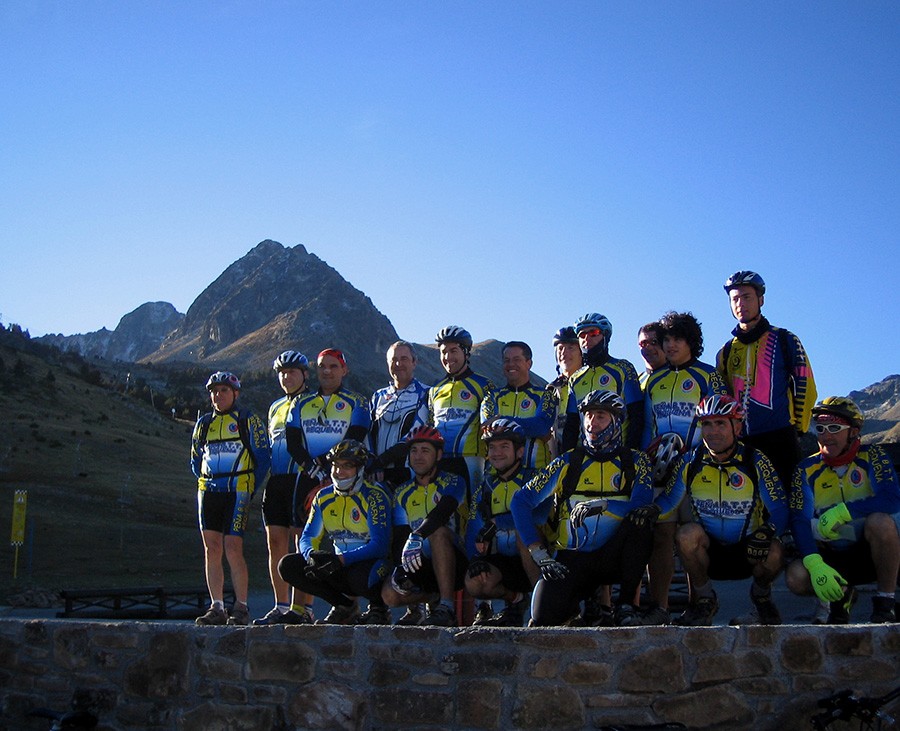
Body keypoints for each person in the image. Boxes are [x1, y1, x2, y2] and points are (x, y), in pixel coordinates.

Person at [510, 390, 658, 627]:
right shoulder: (568, 461)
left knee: (642, 522)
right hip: (572, 557)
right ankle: (578, 608)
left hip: (614, 556)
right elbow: (520, 501)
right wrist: (536, 550)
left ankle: (626, 605)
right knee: (542, 617)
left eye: (601, 416)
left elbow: (642, 504)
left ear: (617, 421)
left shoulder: (636, 461)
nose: (592, 423)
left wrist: (604, 505)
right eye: (588, 415)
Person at [656, 395, 789, 626]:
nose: (713, 431)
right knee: (686, 535)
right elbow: (669, 501)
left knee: (775, 550)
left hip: (749, 547)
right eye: (707, 424)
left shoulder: (755, 460)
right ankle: (705, 601)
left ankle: (762, 599)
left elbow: (780, 507)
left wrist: (768, 531)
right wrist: (647, 511)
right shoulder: (690, 461)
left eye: (720, 423)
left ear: (736, 427)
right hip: (710, 550)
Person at [785, 397, 900, 623]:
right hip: (833, 554)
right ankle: (842, 595)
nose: (826, 436)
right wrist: (814, 563)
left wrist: (843, 512)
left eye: (835, 428)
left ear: (853, 432)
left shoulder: (872, 456)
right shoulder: (806, 468)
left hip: (874, 551)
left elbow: (891, 499)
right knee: (796, 577)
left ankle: (885, 602)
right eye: (821, 428)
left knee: (881, 522)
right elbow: (799, 519)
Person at [716, 270, 817, 488]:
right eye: (735, 299)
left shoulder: (785, 339)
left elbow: (805, 383)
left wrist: (798, 428)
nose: (740, 304)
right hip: (742, 440)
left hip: (781, 436)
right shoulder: (725, 352)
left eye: (747, 297)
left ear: (761, 300)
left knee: (791, 498)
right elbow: (723, 396)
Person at [278, 440, 392, 625]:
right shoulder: (323, 497)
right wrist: (312, 555)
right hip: (340, 564)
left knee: (358, 578)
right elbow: (308, 536)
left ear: (360, 469)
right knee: (288, 565)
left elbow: (380, 546)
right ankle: (344, 607)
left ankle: (379, 608)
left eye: (347, 466)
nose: (339, 472)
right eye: (335, 466)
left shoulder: (374, 496)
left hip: (372, 565)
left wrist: (341, 560)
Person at [190, 371, 270, 626]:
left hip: (238, 490)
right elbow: (195, 460)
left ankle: (241, 607)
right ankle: (217, 606)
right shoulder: (203, 423)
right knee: (211, 548)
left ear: (235, 393)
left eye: (223, 390)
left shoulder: (248, 420)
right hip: (208, 490)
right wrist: (207, 480)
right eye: (214, 391)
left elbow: (263, 458)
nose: (218, 395)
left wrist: (250, 487)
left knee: (233, 547)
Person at [381, 425, 469, 627]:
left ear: (438, 455)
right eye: (414, 450)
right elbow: (401, 535)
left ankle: (446, 607)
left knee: (437, 532)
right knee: (389, 594)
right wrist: (401, 569)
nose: (418, 456)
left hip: (457, 560)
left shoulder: (454, 481)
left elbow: (443, 511)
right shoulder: (402, 492)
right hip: (422, 560)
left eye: (425, 450)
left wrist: (418, 535)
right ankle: (427, 600)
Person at [254, 351, 317, 625]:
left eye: (291, 372)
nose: (286, 377)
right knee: (275, 542)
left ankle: (304, 608)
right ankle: (280, 606)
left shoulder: (314, 402)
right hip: (277, 479)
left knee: (303, 543)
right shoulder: (275, 406)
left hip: (303, 478)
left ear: (305, 374)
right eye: (281, 373)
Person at [464, 418, 541, 626]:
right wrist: (474, 561)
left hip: (539, 558)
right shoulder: (485, 487)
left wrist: (499, 522)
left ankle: (541, 607)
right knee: (475, 583)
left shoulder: (535, 479)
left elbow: (540, 516)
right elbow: (473, 527)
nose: (497, 452)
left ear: (520, 452)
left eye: (504, 446)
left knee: (523, 534)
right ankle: (516, 600)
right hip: (504, 560)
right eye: (492, 447)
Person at [425, 325, 497, 498]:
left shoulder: (484, 385)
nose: (447, 357)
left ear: (466, 353)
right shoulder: (435, 389)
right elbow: (430, 425)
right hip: (440, 460)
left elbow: (491, 424)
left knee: (472, 508)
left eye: (453, 351)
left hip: (471, 460)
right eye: (443, 352)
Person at [562, 313, 644, 452]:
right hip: (586, 456)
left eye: (593, 333)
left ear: (606, 336)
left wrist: (629, 451)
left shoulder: (623, 368)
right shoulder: (576, 378)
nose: (587, 338)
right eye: (582, 335)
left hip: (618, 453)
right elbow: (572, 424)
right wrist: (568, 456)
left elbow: (637, 415)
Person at [368, 340, 430, 490]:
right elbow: (367, 432)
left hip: (409, 475)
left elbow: (415, 434)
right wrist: (370, 461)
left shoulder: (426, 393)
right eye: (393, 359)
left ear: (414, 362)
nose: (398, 364)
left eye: (404, 359)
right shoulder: (378, 396)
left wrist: (380, 462)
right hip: (375, 476)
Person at [494, 341, 557, 470]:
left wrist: (502, 421)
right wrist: (529, 427)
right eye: (506, 360)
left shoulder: (545, 395)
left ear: (529, 363)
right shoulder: (492, 396)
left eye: (517, 359)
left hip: (536, 472)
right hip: (498, 475)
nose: (511, 364)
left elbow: (541, 426)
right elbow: (489, 428)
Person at [547, 326, 582, 456]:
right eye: (560, 348)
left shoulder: (593, 382)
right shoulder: (551, 389)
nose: (564, 353)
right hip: (558, 457)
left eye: (571, 348)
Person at [637, 321, 666, 391]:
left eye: (654, 342)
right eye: (644, 343)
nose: (649, 347)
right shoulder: (635, 382)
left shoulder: (680, 375)